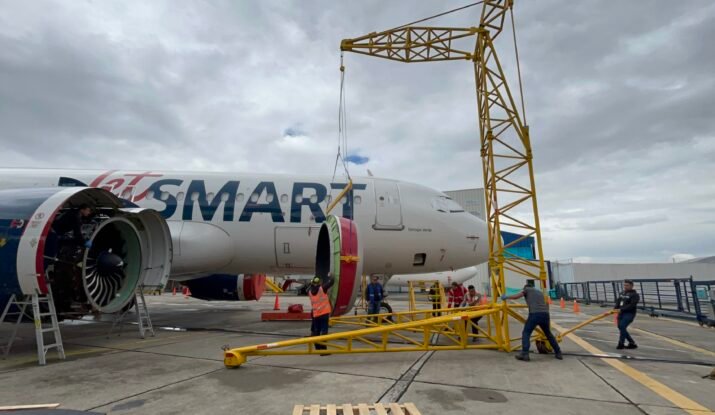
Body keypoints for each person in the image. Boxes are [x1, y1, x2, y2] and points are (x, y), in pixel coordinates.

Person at [502, 281, 562, 361]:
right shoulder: (539, 292)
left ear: (525, 287)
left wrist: (506, 297)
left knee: (526, 333)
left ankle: (525, 354)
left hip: (534, 314)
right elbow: (546, 303)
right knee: (548, 334)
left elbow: (517, 296)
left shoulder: (527, 289)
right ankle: (558, 352)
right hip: (545, 314)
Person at [308, 273, 334, 352]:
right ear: (319, 282)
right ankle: (323, 350)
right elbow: (332, 282)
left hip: (316, 314)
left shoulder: (309, 291)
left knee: (317, 331)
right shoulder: (322, 289)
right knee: (324, 331)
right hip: (324, 314)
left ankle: (317, 348)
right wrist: (330, 275)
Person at [614, 279, 640, 350]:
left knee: (622, 326)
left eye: (627, 285)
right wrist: (615, 308)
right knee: (620, 327)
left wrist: (622, 309)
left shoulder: (635, 295)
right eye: (624, 285)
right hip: (620, 313)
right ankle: (632, 343)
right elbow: (618, 301)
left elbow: (632, 305)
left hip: (629, 313)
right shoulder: (622, 293)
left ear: (631, 286)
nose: (625, 287)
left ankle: (621, 344)